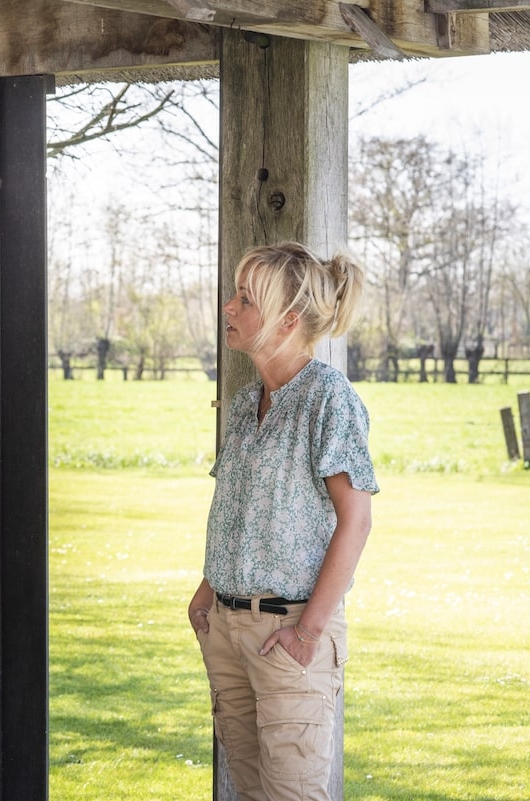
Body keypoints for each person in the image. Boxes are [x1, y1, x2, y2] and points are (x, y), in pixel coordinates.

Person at [187, 242, 379, 801]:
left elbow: (357, 521)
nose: (229, 308)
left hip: (290, 634)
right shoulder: (247, 403)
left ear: (288, 320)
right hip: (227, 629)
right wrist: (205, 595)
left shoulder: (328, 399)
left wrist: (308, 633)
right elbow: (238, 511)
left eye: (245, 300)